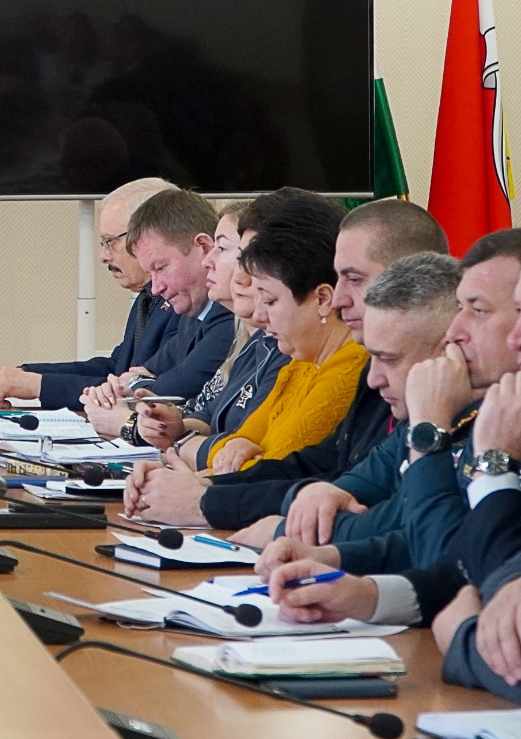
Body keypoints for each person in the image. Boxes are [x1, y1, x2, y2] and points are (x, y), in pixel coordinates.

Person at [128, 197, 448, 530]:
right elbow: (321, 471)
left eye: (353, 279)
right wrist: (203, 487)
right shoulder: (319, 362)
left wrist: (202, 499)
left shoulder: (364, 368)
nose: (339, 297)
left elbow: (381, 514)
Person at [257, 230, 521, 573]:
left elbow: (441, 553)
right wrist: (315, 511)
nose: (455, 332)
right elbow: (357, 497)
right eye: (461, 308)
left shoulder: (462, 412)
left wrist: (428, 429)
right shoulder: (479, 407)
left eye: (478, 310)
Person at [0, 177, 178, 407]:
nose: (103, 257)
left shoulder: (183, 301)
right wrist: (22, 374)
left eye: (110, 242)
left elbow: (147, 390)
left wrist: (38, 385)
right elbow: (117, 368)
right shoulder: (149, 297)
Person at [195, 197, 365, 473]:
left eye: (270, 301)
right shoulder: (300, 363)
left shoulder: (349, 368)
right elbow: (230, 447)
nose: (261, 316)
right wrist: (233, 449)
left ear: (323, 299)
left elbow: (270, 473)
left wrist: (216, 468)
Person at [81, 188, 234, 439]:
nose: (155, 287)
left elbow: (173, 389)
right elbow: (142, 371)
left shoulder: (230, 315)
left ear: (204, 247)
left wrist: (126, 420)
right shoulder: (192, 315)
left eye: (161, 268)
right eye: (150, 273)